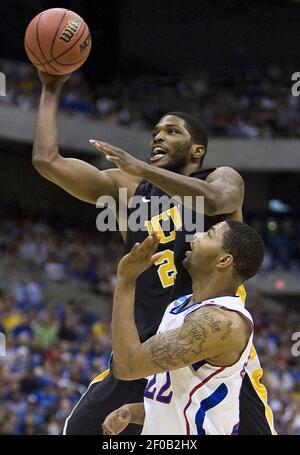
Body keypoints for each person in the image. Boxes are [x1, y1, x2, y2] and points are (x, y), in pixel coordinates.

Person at [32, 72, 275, 435]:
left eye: (172, 130)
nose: (159, 135)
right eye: (156, 131)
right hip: (144, 351)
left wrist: (141, 168)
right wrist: (51, 88)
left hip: (211, 350)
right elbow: (47, 161)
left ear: (197, 150)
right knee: (81, 428)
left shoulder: (220, 178)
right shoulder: (128, 189)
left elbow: (218, 199)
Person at [102, 222, 265, 435]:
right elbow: (182, 400)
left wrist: (126, 280)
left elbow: (127, 366)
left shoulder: (222, 323)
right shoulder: (181, 305)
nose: (196, 235)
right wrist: (132, 412)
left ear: (224, 260)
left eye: (209, 234)